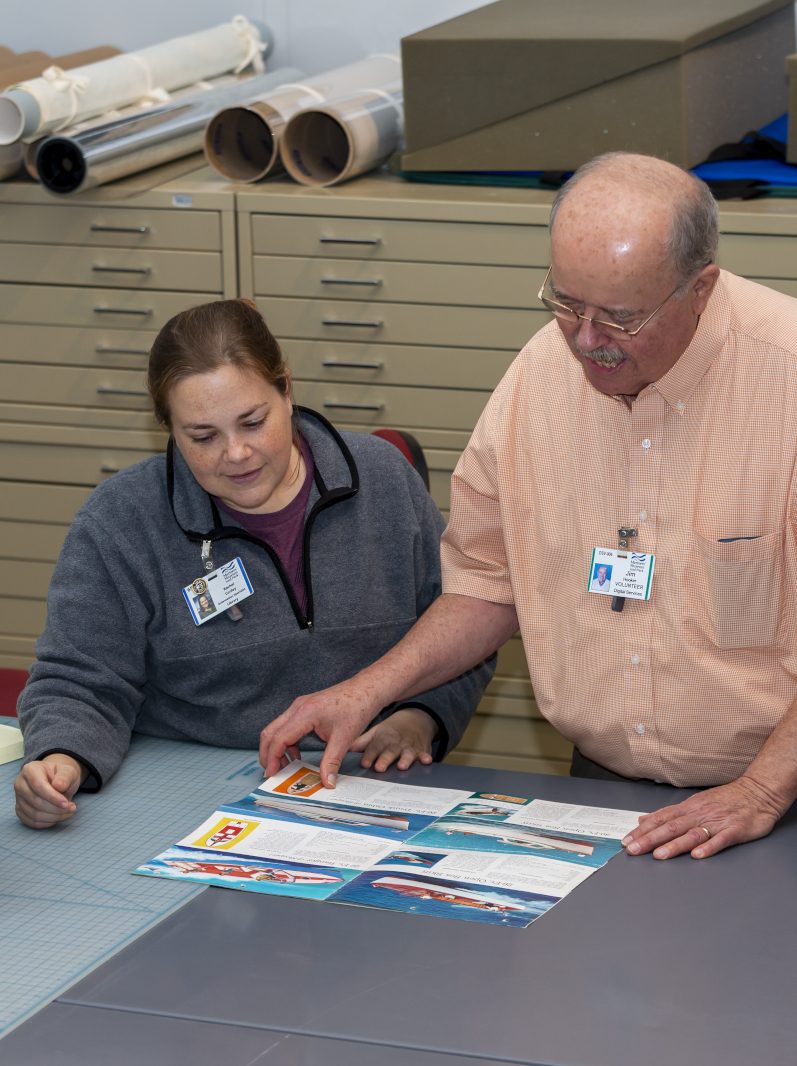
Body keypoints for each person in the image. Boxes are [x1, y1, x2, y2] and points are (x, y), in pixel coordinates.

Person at [259, 152, 797, 861]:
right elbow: (488, 579)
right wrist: (367, 690)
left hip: (776, 796)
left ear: (698, 289)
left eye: (619, 317)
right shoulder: (540, 377)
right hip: (614, 793)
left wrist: (761, 789)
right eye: (566, 303)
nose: (583, 340)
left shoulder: (782, 376)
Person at [14, 299, 493, 829]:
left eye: (253, 422)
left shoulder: (385, 483)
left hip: (365, 786)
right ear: (168, 430)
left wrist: (421, 716)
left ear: (287, 390)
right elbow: (79, 678)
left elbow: (465, 623)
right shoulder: (120, 523)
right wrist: (61, 758)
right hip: (183, 792)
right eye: (203, 436)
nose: (236, 453)